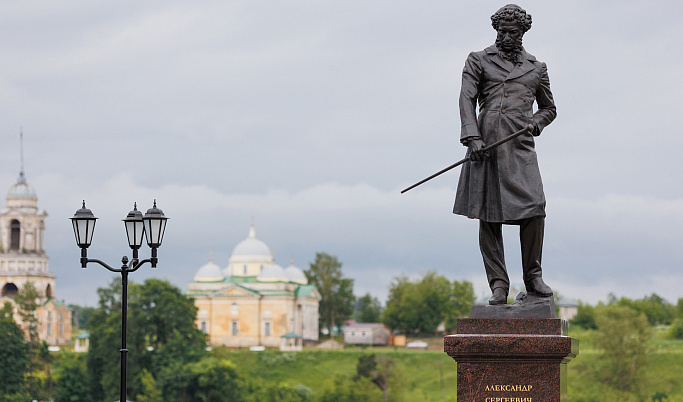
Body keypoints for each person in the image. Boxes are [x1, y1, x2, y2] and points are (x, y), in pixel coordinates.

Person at [453, 4, 557, 305]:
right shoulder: (478, 60)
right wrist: (471, 136)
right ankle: (499, 283)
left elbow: (549, 108)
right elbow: (466, 98)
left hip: (520, 147)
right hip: (485, 146)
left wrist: (535, 123)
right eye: (501, 31)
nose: (506, 37)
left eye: (512, 32)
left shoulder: (537, 68)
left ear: (523, 32)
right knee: (489, 214)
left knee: (535, 207)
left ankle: (533, 277)